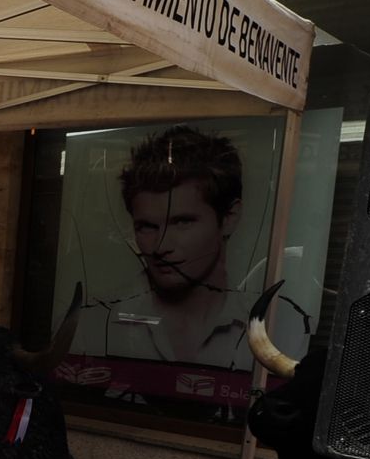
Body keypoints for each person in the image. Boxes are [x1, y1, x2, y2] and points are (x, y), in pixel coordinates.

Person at [73, 125, 254, 369]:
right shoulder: (91, 323)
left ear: (229, 218)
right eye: (147, 226)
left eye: (182, 222)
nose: (161, 246)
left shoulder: (269, 325)